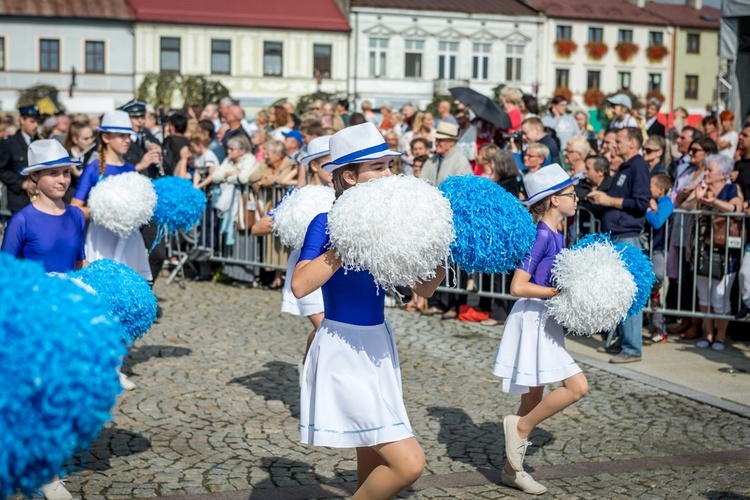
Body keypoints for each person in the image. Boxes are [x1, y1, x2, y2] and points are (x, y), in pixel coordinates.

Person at [292, 122, 444, 499]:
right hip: (342, 348)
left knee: (371, 458)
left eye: (391, 166)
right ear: (350, 177)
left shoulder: (391, 226)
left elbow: (423, 288)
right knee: (408, 463)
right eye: (378, 168)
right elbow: (300, 285)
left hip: (378, 346)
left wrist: (440, 250)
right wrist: (347, 243)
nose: (389, 175)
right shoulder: (325, 223)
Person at [493, 164, 588, 495]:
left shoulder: (558, 234)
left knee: (533, 395)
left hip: (544, 318)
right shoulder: (542, 235)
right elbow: (518, 287)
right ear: (552, 200)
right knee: (577, 386)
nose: (576, 199)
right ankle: (520, 427)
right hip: (533, 318)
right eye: (570, 194)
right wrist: (556, 293)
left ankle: (511, 470)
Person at [587, 127, 651, 363]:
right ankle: (624, 340)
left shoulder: (638, 166)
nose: (615, 145)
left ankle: (633, 348)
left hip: (627, 236)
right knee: (619, 293)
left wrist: (608, 200)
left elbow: (641, 202)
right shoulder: (625, 167)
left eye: (620, 141)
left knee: (630, 294)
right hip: (617, 235)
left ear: (633, 144)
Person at [71, 111, 152, 282]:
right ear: (106, 137)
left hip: (129, 239)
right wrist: (103, 210)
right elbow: (75, 208)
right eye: (121, 136)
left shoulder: (130, 168)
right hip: (101, 239)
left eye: (128, 135)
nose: (127, 140)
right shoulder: (94, 168)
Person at [1, 139, 86, 272]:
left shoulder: (76, 214)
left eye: (66, 172)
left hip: (71, 291)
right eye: (53, 173)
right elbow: (5, 271)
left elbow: (79, 262)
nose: (62, 180)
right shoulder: (21, 221)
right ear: (34, 176)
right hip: (35, 292)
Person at [692, 155, 743, 350]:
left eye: (709, 170)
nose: (705, 173)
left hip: (724, 251)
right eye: (705, 170)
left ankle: (720, 336)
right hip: (703, 248)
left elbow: (736, 207)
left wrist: (713, 202)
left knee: (720, 296)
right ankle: (708, 334)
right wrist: (698, 198)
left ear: (723, 174)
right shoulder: (702, 188)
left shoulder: (731, 189)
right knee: (703, 295)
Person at [645, 173, 674, 343]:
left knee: (658, 278)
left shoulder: (666, 203)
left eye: (651, 186)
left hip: (658, 250)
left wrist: (650, 209)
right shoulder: (650, 200)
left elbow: (657, 222)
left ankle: (660, 329)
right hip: (645, 248)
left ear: (661, 190)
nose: (648, 189)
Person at [0, 105, 43, 214]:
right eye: (32, 121)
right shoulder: (9, 143)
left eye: (38, 122)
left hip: (40, 199)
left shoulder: (41, 142)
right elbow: (2, 170)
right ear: (22, 120)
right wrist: (22, 184)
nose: (36, 125)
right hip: (19, 199)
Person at [733, 125, 750, 321]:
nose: (741, 138)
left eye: (745, 135)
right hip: (743, 230)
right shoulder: (739, 165)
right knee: (745, 274)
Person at [62, 121, 98, 203]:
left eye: (91, 137)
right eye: (86, 139)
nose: (90, 141)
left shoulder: (93, 155)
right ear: (75, 139)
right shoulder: (64, 155)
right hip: (68, 200)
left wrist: (78, 174)